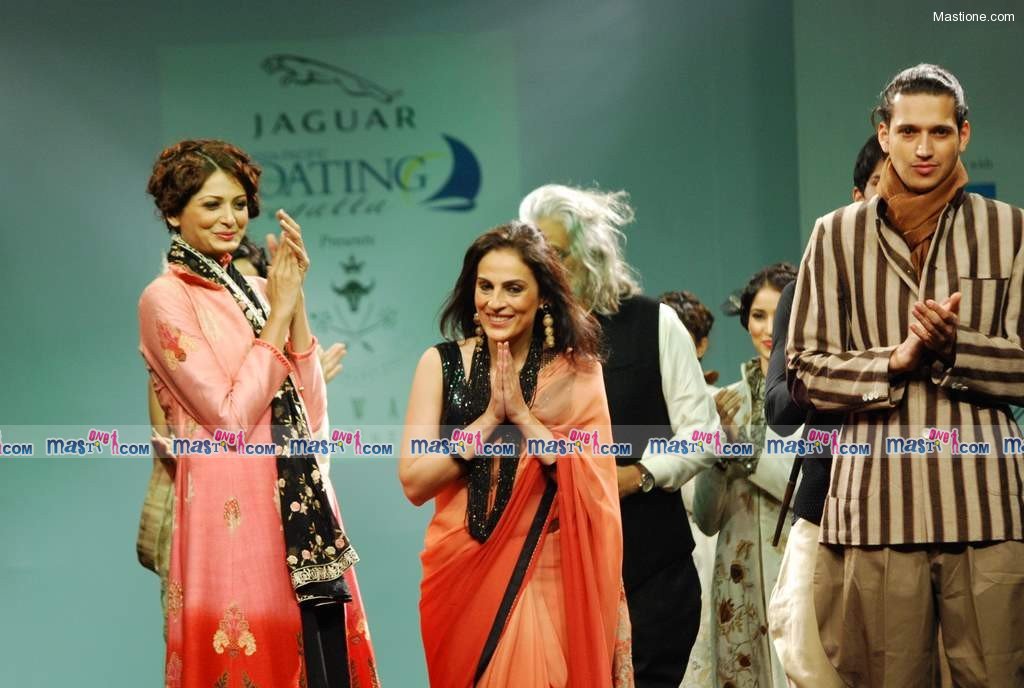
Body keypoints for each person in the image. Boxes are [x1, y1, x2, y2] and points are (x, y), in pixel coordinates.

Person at [788, 64, 1024, 687]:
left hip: (983, 504)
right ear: (884, 134)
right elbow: (803, 372)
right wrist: (892, 361)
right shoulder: (835, 235)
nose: (924, 148)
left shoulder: (1010, 229)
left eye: (940, 132)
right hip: (876, 505)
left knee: (998, 676)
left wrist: (957, 348)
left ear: (964, 135)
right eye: (909, 131)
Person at [138, 139, 377, 688]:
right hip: (228, 511)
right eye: (212, 204)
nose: (230, 218)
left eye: (239, 204)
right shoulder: (165, 298)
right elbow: (228, 417)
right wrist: (279, 310)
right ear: (173, 213)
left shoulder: (256, 290)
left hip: (298, 509)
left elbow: (310, 411)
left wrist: (295, 303)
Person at [399, 221, 632, 688]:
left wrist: (524, 418)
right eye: (485, 286)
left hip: (546, 571)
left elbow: (596, 483)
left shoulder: (576, 371)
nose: (496, 302)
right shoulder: (440, 364)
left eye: (513, 288)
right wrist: (487, 422)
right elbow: (414, 482)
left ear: (542, 296)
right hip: (459, 573)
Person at [520, 185, 719, 688]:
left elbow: (704, 436)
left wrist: (638, 475)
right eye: (536, 254)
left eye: (558, 253)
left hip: (651, 569)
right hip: (552, 571)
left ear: (590, 253)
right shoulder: (520, 336)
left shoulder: (654, 323)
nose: (546, 267)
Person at [764, 137, 887, 688]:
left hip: (922, 502)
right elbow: (779, 409)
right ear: (857, 197)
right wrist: (841, 370)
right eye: (882, 185)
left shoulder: (943, 288)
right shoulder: (809, 289)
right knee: (813, 664)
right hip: (827, 502)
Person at [690, 262, 799, 688]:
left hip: (793, 569)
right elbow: (706, 518)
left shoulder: (816, 395)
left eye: (780, 314)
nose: (769, 329)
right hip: (736, 579)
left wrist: (744, 448)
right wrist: (720, 452)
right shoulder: (726, 402)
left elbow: (801, 489)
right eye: (758, 315)